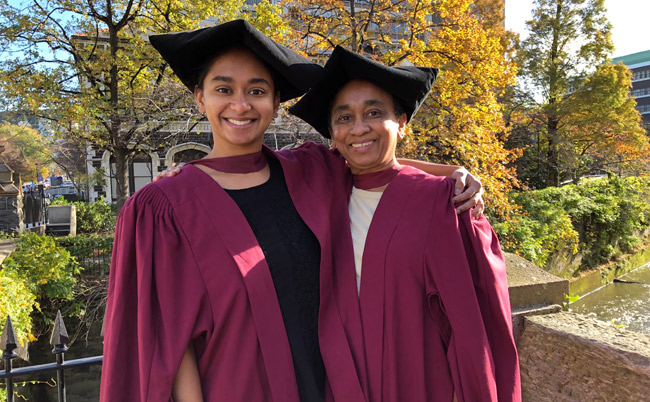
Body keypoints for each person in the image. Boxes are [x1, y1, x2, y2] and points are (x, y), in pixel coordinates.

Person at [101, 20, 483, 402]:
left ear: (276, 102)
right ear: (200, 98)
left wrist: (454, 174)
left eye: (257, 90)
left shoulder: (310, 172)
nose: (241, 104)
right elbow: (169, 340)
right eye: (223, 89)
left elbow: (373, 158)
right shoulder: (163, 209)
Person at [288, 45, 521, 401]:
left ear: (401, 123)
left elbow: (476, 329)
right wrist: (175, 177)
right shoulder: (318, 186)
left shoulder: (443, 204)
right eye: (344, 117)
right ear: (333, 134)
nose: (359, 127)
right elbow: (241, 166)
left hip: (417, 383)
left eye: (374, 112)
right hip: (337, 384)